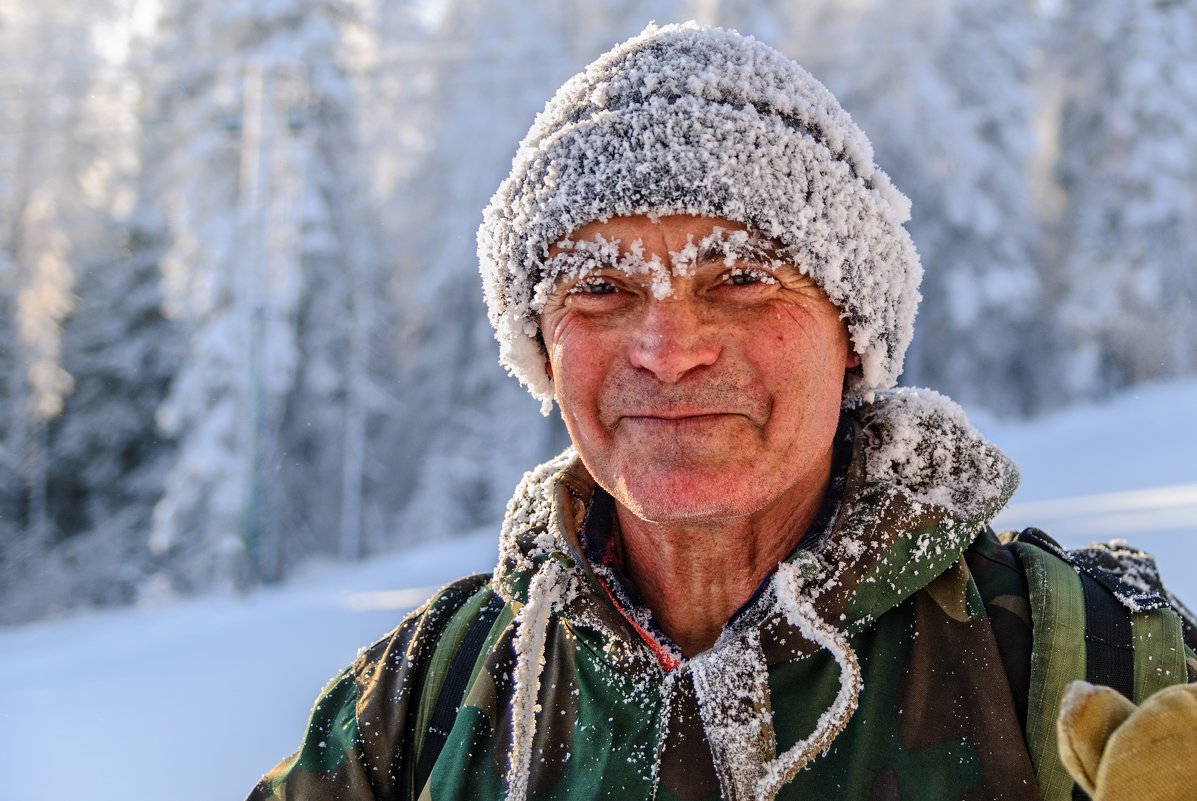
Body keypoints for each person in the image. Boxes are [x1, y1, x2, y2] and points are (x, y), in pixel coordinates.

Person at [247, 22, 1197, 801]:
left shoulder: (1091, 655)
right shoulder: (427, 695)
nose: (667, 348)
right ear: (541, 349)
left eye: (741, 278)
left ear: (853, 334)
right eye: (601, 289)